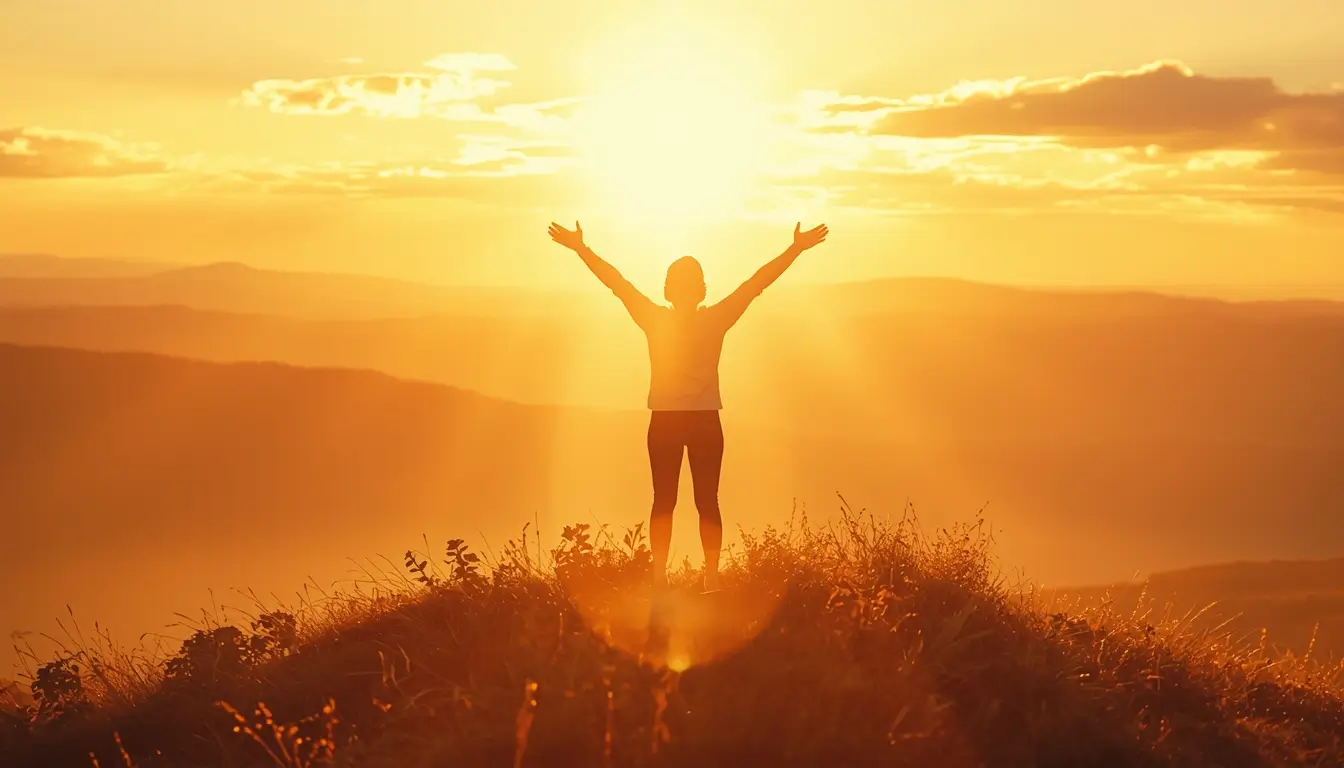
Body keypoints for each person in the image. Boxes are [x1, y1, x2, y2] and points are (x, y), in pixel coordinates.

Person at [548, 220, 829, 593]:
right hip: (704, 422)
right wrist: (795, 249)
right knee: (707, 501)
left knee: (662, 500)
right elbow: (756, 284)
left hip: (664, 421)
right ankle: (710, 579)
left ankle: (660, 577)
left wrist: (581, 249)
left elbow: (616, 283)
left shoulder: (653, 318)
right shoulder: (716, 319)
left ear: (667, 289)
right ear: (702, 290)